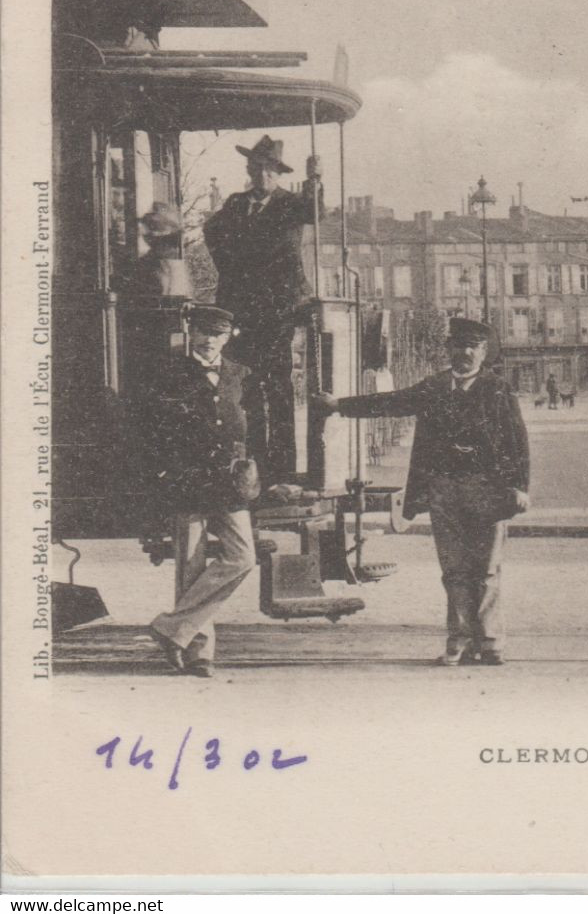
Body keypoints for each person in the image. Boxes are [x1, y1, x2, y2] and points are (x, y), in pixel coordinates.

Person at [316, 318, 529, 666]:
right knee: (454, 570)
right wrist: (340, 405)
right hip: (444, 491)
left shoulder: (498, 390)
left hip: (488, 492)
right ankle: (459, 640)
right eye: (458, 346)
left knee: (487, 570)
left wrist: (519, 486)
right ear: (448, 350)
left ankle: (490, 642)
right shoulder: (434, 387)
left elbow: (517, 442)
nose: (465, 353)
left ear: (484, 352)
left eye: (473, 347)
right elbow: (391, 402)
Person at [141, 306, 260, 678]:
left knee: (242, 557)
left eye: (218, 333)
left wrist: (257, 472)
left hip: (229, 481)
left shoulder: (241, 374)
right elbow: (150, 428)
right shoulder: (168, 372)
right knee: (190, 568)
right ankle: (198, 654)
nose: (209, 340)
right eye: (203, 332)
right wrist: (160, 471)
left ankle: (169, 627)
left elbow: (255, 427)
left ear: (229, 337)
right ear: (190, 333)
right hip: (186, 480)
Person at [204, 135, 318, 483]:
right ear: (249, 170)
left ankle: (281, 472)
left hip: (279, 311)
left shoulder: (290, 204)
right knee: (245, 392)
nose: (263, 175)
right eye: (257, 168)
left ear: (278, 174)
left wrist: (315, 181)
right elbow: (212, 231)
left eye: (269, 170)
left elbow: (314, 212)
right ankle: (252, 468)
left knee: (279, 389)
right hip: (242, 310)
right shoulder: (236, 205)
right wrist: (231, 269)